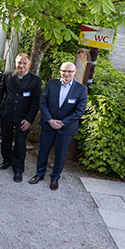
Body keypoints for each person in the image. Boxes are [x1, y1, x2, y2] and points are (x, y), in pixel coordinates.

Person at [29, 62, 87, 190]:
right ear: (60, 71)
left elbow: (79, 111)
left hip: (66, 128)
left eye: (69, 71)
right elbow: (43, 102)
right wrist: (49, 120)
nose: (66, 74)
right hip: (48, 125)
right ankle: (39, 174)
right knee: (43, 150)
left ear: (74, 72)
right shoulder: (52, 83)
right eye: (64, 71)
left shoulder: (81, 89)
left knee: (60, 154)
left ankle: (55, 178)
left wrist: (63, 122)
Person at [0, 53, 42, 182]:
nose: (21, 65)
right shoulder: (7, 76)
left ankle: (18, 169)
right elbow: (0, 94)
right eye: (19, 62)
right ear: (15, 63)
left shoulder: (35, 80)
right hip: (7, 114)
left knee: (20, 143)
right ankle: (6, 160)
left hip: (23, 118)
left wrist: (29, 119)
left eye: (24, 63)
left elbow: (35, 102)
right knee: (6, 140)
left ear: (29, 65)